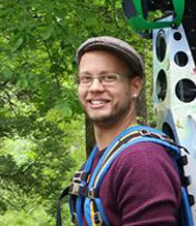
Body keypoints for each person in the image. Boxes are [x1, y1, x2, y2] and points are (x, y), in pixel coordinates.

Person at [74, 36, 181, 224]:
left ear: (135, 86)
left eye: (109, 78)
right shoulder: (102, 158)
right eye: (86, 79)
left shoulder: (141, 160)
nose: (95, 87)